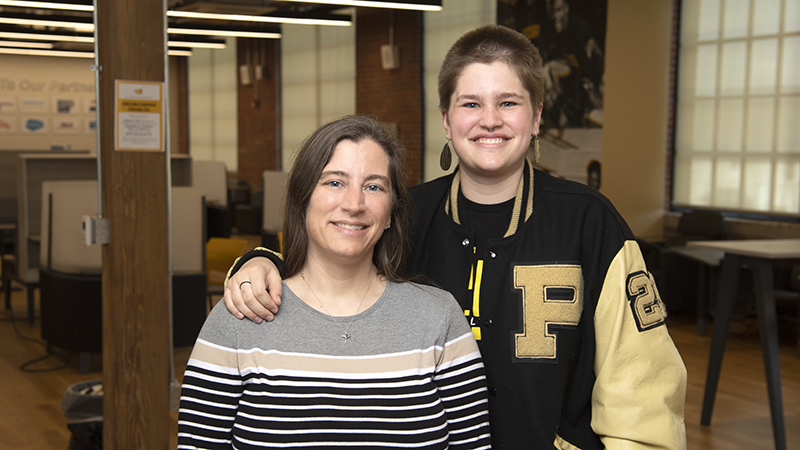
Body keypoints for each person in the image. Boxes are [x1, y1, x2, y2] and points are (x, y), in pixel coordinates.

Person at [222, 25, 687, 449]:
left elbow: (642, 395)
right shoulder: (401, 214)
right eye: (471, 104)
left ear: (537, 117)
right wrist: (264, 260)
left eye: (508, 102)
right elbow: (324, 266)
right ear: (447, 120)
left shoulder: (590, 222)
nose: (490, 120)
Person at [178, 115, 492, 449]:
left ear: (390, 212)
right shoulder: (240, 317)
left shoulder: (439, 318)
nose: (353, 204)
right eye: (334, 182)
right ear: (303, 199)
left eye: (373, 186)